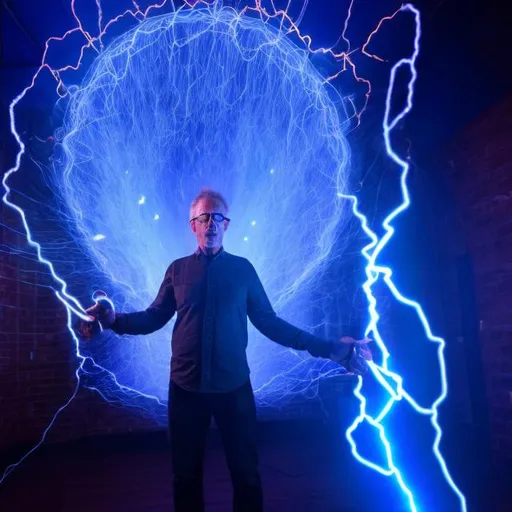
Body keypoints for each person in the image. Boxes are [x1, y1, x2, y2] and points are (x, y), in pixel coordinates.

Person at [84, 188, 371, 512]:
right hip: (185, 391)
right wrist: (112, 319)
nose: (210, 223)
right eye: (203, 217)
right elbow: (153, 317)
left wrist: (332, 349)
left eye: (217, 217)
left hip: (234, 391)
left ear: (226, 224)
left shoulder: (243, 270)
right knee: (186, 478)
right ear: (193, 225)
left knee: (246, 477)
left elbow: (271, 324)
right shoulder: (177, 270)